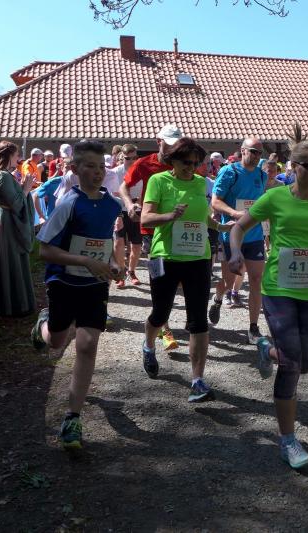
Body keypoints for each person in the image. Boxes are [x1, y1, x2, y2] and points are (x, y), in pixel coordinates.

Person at [228, 140, 308, 468]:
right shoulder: (275, 197)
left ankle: (266, 349)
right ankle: (288, 439)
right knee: (292, 363)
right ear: (294, 167)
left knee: (305, 362)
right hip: (278, 287)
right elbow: (239, 227)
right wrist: (235, 252)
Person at [30, 140, 124, 449]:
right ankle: (43, 326)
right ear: (74, 169)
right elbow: (45, 250)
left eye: (101, 167)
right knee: (57, 341)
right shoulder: (68, 203)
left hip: (94, 284)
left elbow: (106, 241)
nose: (97, 173)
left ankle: (72, 417)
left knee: (86, 344)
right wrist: (84, 260)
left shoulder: (112, 204)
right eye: (90, 167)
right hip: (63, 281)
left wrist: (114, 263)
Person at [139, 137, 233, 402]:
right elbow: (146, 218)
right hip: (164, 256)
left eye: (195, 163)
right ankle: (148, 345)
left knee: (198, 320)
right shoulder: (158, 181)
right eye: (185, 162)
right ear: (173, 160)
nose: (190, 167)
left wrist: (219, 226)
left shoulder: (201, 183)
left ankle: (197, 381)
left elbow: (202, 216)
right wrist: (169, 216)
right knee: (160, 312)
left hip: (198, 257)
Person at [119, 124, 181, 350]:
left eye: (176, 144)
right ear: (158, 141)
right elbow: (124, 187)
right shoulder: (145, 163)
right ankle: (164, 327)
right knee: (159, 280)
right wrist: (129, 205)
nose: (173, 149)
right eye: (169, 144)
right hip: (151, 231)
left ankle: (168, 320)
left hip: (176, 229)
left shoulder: (183, 163)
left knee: (176, 282)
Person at [208, 137, 268, 343]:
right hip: (231, 235)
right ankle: (217, 299)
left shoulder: (261, 174)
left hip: (255, 235)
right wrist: (234, 213)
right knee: (229, 281)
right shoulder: (229, 171)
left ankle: (253, 327)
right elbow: (215, 201)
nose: (256, 156)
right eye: (253, 151)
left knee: (256, 280)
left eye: (259, 153)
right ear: (242, 151)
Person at [0, 141, 36, 316]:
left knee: (12, 259)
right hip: (5, 222)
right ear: (8, 156)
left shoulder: (4, 174)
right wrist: (26, 189)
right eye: (16, 155)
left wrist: (21, 187)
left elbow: (13, 198)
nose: (18, 158)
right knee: (9, 260)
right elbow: (16, 204)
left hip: (6, 219)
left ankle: (14, 304)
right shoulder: (2, 176)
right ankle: (11, 306)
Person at [112, 144, 142, 288]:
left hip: (137, 210)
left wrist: (139, 203)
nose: (131, 161)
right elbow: (111, 194)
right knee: (118, 243)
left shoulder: (141, 171)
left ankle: (132, 272)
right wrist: (118, 214)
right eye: (128, 158)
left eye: (134, 158)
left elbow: (146, 191)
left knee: (136, 245)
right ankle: (120, 273)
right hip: (119, 210)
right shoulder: (115, 172)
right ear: (122, 157)